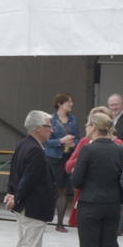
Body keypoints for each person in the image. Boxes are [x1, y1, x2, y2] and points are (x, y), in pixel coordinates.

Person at [69, 109, 123, 247]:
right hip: (112, 204)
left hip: (90, 204)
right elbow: (122, 175)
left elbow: (76, 180)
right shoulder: (119, 149)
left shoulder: (88, 149)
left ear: (94, 127)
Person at [4, 111, 56, 247]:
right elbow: (28, 178)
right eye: (49, 126)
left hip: (24, 206)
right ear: (38, 128)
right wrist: (16, 197)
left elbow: (14, 173)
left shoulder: (23, 144)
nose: (52, 130)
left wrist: (12, 195)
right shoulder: (34, 149)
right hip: (33, 207)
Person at [46, 93, 78, 229]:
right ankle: (44, 218)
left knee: (63, 189)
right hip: (54, 157)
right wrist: (61, 141)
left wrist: (73, 144)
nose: (71, 104)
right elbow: (47, 141)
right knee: (51, 188)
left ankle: (59, 223)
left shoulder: (73, 119)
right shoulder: (50, 120)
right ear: (60, 104)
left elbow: (78, 137)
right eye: (68, 102)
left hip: (67, 156)